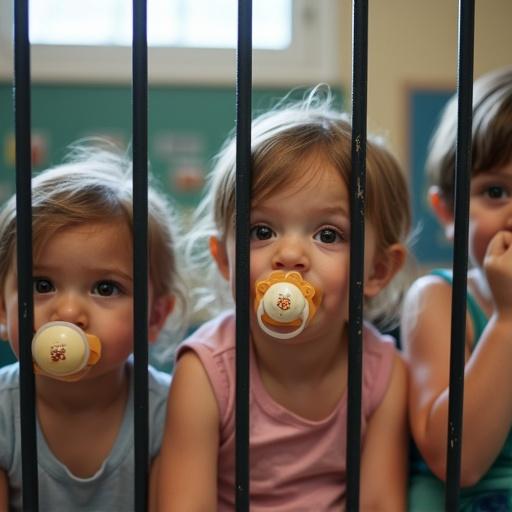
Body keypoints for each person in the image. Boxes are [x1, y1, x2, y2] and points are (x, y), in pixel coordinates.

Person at [157, 90, 412, 511]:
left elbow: (381, 502)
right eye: (261, 231)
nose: (290, 255)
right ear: (224, 259)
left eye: (328, 235)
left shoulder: (383, 372)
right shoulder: (206, 372)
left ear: (378, 271)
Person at [0, 142, 186, 511]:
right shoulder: (4, 413)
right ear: (2, 310)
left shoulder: (169, 410)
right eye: (42, 285)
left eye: (105, 288)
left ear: (155, 318)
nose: (68, 312)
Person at [402, 66, 512, 511]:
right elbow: (457, 461)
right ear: (446, 211)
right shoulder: (438, 300)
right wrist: (507, 320)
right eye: (496, 191)